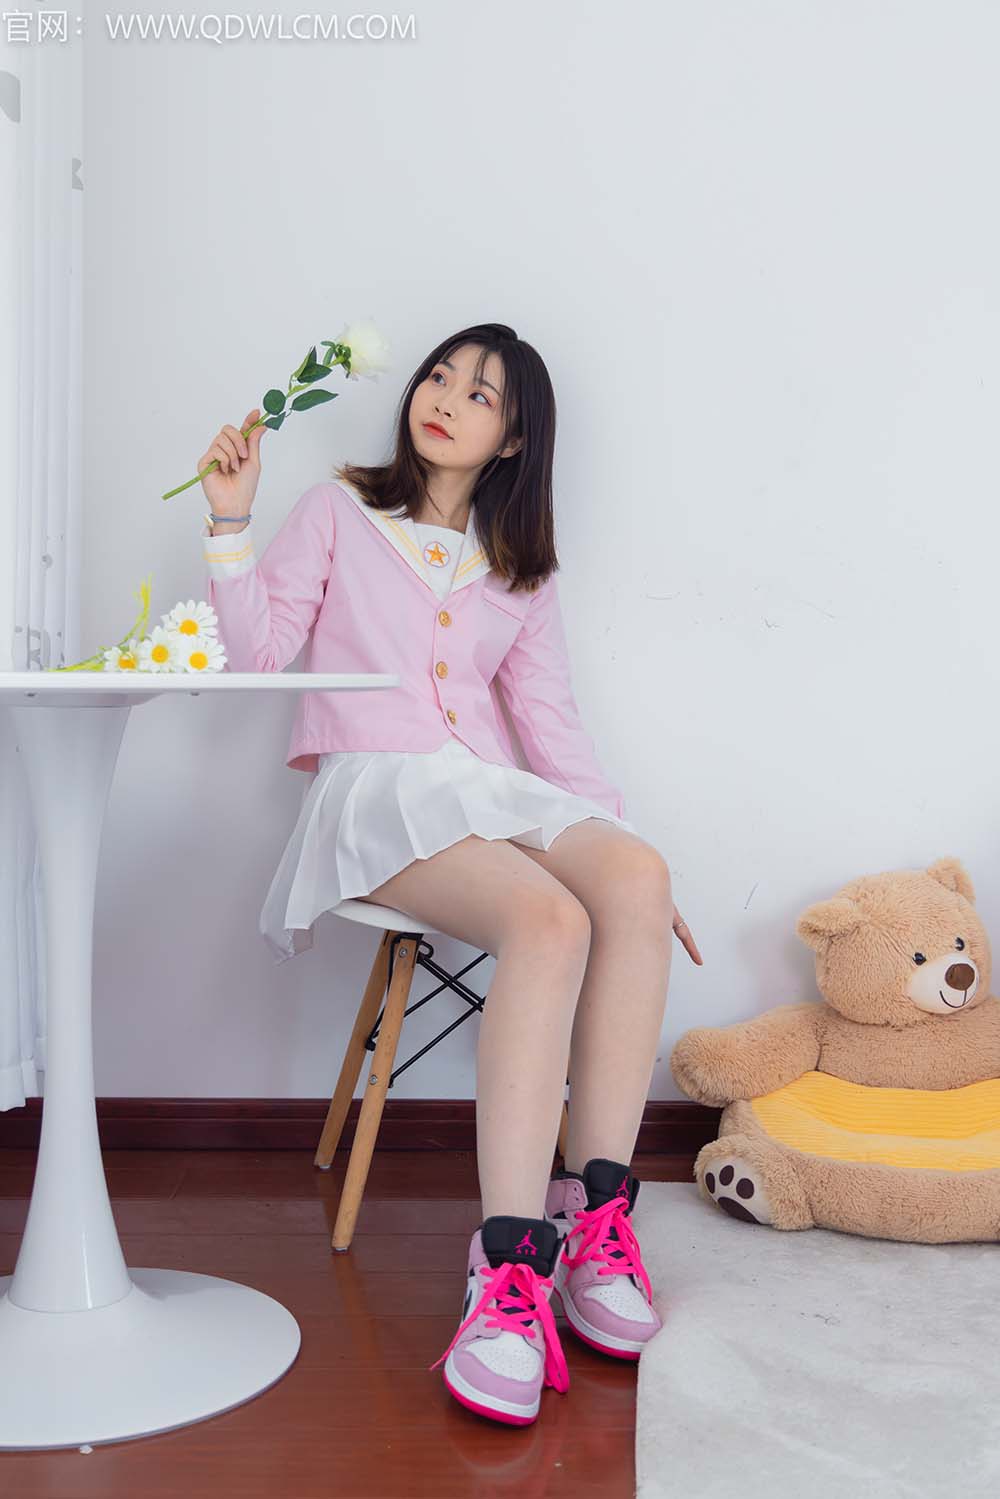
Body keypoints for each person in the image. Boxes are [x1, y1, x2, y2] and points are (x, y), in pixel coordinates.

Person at [198, 321, 703, 1427]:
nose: (444, 397)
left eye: (479, 393)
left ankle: (596, 1219)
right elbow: (254, 657)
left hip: (482, 787)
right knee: (548, 922)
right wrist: (231, 523)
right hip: (375, 789)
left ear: (513, 437)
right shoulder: (339, 511)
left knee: (634, 878)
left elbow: (552, 730)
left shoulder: (518, 569)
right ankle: (509, 1265)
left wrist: (629, 858)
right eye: (439, 376)